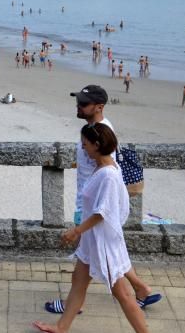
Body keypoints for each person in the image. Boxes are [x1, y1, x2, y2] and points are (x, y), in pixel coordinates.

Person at [33, 123, 158, 333]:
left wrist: (76, 231)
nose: (83, 147)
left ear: (97, 145)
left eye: (86, 144)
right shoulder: (101, 169)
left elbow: (103, 212)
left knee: (122, 292)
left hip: (104, 244)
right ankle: (61, 329)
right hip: (92, 242)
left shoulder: (109, 175)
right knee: (78, 280)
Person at [44, 85, 160, 315]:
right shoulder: (91, 130)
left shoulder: (103, 133)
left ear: (99, 107)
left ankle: (75, 306)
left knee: (95, 260)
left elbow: (109, 171)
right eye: (78, 101)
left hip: (93, 207)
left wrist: (83, 222)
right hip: (89, 204)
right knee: (98, 257)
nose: (78, 106)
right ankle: (141, 289)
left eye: (83, 103)